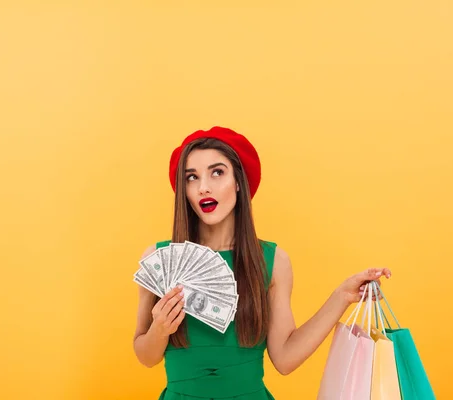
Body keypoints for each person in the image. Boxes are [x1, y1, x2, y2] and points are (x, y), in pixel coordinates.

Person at [133, 126, 391, 399]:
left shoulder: (273, 261)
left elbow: (285, 358)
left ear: (238, 182)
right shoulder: (158, 259)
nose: (203, 187)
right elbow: (145, 356)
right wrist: (160, 330)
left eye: (217, 172)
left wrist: (342, 296)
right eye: (192, 177)